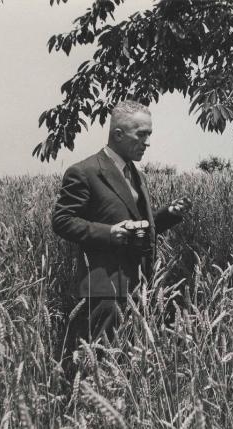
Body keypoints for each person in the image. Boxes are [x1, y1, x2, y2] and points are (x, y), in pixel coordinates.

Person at [52, 100, 191, 366]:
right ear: (118, 134)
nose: (147, 142)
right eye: (141, 134)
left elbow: (138, 226)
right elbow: (62, 220)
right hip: (105, 288)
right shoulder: (85, 172)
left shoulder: (136, 174)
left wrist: (167, 215)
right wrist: (108, 232)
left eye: (149, 134)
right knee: (103, 365)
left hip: (141, 287)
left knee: (130, 367)